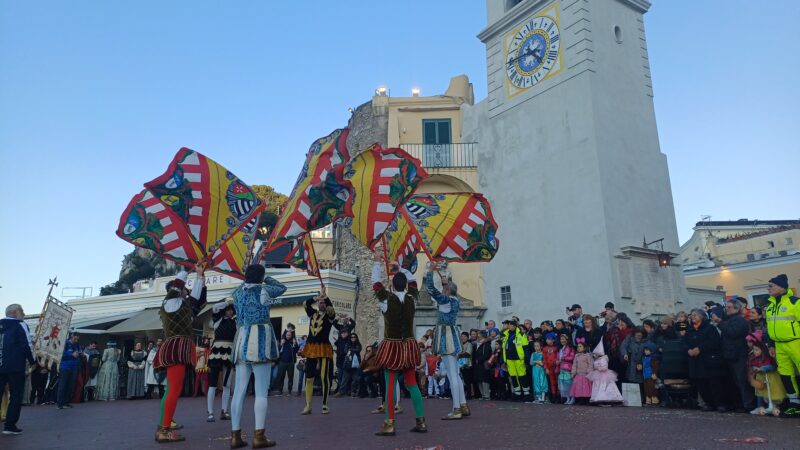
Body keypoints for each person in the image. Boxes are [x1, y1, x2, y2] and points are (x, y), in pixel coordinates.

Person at [229, 264, 285, 449]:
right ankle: (259, 436)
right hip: (259, 339)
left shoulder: (237, 292)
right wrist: (266, 277)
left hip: (241, 338)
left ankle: (235, 436)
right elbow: (281, 287)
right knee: (261, 391)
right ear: (261, 277)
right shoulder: (264, 290)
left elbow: (241, 286)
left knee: (239, 391)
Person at [372, 256, 427, 436]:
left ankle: (389, 423)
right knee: (412, 384)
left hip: (393, 348)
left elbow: (376, 283)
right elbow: (412, 280)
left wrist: (377, 263)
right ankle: (421, 421)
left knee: (390, 385)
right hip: (409, 346)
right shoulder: (413, 298)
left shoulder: (386, 300)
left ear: (393, 285)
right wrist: (399, 268)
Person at [152, 267, 207, 443]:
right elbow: (177, 285)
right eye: (185, 289)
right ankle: (164, 430)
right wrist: (187, 268)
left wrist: (199, 276)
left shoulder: (180, 304)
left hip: (178, 346)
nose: (187, 291)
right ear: (178, 290)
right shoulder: (171, 301)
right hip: (177, 348)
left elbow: (196, 297)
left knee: (171, 390)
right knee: (174, 390)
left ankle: (163, 425)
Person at [425, 267, 469, 419]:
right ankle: (462, 405)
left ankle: (456, 408)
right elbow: (444, 290)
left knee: (452, 374)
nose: (443, 291)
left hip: (446, 337)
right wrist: (446, 283)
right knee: (455, 373)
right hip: (452, 335)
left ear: (448, 291)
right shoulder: (455, 300)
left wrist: (429, 272)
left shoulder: (446, 300)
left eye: (445, 289)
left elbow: (431, 290)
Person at [764, 274, 800, 413]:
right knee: (785, 375)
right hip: (779, 345)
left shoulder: (795, 302)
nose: (768, 289)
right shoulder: (770, 306)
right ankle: (795, 404)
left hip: (796, 342)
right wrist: (771, 344)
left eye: (771, 286)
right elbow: (769, 327)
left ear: (781, 287)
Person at [300, 288, 336, 415]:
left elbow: (331, 308)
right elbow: (305, 303)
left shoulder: (330, 316)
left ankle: (325, 404)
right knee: (309, 377)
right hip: (311, 348)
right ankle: (308, 405)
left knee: (324, 377)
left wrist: (325, 297)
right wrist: (316, 298)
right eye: (320, 303)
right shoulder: (312, 314)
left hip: (324, 348)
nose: (322, 304)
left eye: (324, 303)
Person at [0, 304, 35, 435]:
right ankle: (9, 426)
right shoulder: (20, 324)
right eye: (22, 310)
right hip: (15, 366)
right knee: (15, 396)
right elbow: (27, 344)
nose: (24, 313)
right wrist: (33, 362)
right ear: (15, 312)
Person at [684, 308, 727, 412]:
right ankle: (708, 403)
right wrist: (688, 350)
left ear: (702, 317)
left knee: (714, 383)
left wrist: (700, 348)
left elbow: (714, 342)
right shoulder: (689, 330)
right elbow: (684, 342)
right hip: (695, 361)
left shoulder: (710, 328)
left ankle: (720, 404)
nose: (692, 317)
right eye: (692, 315)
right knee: (701, 384)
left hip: (709, 360)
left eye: (695, 315)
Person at [716, 298, 755, 412]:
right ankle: (740, 403)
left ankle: (748, 404)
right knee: (735, 381)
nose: (726, 309)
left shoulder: (740, 320)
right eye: (726, 307)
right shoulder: (729, 320)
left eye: (729, 307)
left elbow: (733, 333)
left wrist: (720, 323)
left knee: (742, 380)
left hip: (739, 355)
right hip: (730, 354)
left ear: (737, 308)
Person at [207, 299, 236, 422]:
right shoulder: (217, 320)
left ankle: (224, 410)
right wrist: (228, 300)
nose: (230, 312)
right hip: (217, 353)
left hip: (230, 353)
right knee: (213, 384)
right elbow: (215, 306)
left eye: (231, 310)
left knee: (227, 385)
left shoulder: (236, 322)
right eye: (228, 310)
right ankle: (210, 412)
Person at [747, 339, 785, 416]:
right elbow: (751, 366)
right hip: (761, 379)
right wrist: (754, 369)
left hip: (770, 379)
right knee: (760, 393)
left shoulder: (768, 358)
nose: (755, 352)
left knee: (772, 393)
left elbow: (772, 366)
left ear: (762, 350)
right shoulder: (753, 358)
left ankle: (774, 406)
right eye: (754, 350)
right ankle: (760, 407)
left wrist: (761, 368)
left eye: (757, 350)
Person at [502, 320, 530, 400]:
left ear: (514, 326)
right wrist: (504, 360)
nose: (509, 326)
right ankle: (517, 394)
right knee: (513, 377)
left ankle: (526, 394)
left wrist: (526, 359)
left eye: (510, 325)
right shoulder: (506, 335)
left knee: (522, 376)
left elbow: (526, 348)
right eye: (508, 325)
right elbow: (503, 349)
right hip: (509, 359)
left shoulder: (521, 334)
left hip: (519, 359)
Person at [56, 332, 82, 409]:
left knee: (71, 386)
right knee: (63, 385)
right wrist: (71, 354)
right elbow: (60, 353)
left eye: (77, 338)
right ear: (72, 336)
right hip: (65, 367)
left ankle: (66, 402)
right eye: (75, 337)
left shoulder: (77, 344)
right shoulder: (65, 343)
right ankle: (59, 404)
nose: (76, 339)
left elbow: (79, 351)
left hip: (74, 367)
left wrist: (80, 354)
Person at [569, 339, 593, 404]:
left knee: (586, 388)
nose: (578, 348)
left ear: (584, 348)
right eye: (578, 346)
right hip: (578, 374)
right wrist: (573, 373)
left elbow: (590, 364)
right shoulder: (576, 356)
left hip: (586, 374)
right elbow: (574, 365)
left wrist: (589, 372)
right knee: (579, 388)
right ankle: (580, 399)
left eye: (580, 346)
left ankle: (586, 400)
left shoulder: (588, 355)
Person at [342, 333, 362, 397]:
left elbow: (358, 350)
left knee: (355, 379)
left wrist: (350, 349)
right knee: (345, 379)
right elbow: (345, 351)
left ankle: (353, 392)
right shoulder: (347, 344)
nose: (353, 338)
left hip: (355, 365)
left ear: (356, 338)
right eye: (352, 337)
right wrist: (352, 350)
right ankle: (342, 392)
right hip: (348, 364)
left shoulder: (358, 344)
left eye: (354, 337)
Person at [557, 334, 575, 405]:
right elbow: (558, 358)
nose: (562, 340)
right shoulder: (560, 349)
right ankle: (567, 398)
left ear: (567, 340)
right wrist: (557, 361)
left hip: (568, 368)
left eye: (564, 339)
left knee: (569, 384)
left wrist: (563, 358)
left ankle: (572, 398)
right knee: (564, 385)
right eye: (561, 339)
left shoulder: (570, 348)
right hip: (562, 369)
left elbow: (572, 357)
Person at [542, 332, 559, 402]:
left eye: (549, 339)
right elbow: (544, 359)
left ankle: (559, 396)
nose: (547, 341)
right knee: (552, 383)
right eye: (547, 339)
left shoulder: (556, 348)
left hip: (556, 367)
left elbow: (558, 356)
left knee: (558, 382)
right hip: (549, 368)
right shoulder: (545, 348)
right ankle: (553, 396)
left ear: (553, 340)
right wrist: (546, 368)